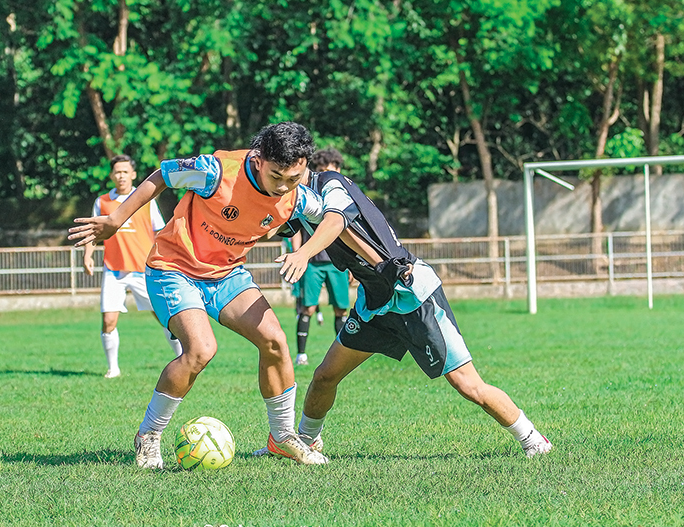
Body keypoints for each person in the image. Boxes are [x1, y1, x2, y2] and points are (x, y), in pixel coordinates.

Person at [69, 122, 329, 469]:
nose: (283, 187)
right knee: (201, 349)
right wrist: (114, 220)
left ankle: (281, 437)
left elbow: (335, 217)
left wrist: (315, 252)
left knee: (275, 340)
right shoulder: (214, 171)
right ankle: (148, 435)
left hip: (226, 275)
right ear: (258, 160)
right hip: (173, 268)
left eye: (293, 178)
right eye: (276, 176)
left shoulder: (299, 196)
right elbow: (161, 176)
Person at [266, 166, 553, 459]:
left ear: (301, 164)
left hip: (411, 294)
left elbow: (336, 221)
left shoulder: (331, 185)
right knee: (325, 375)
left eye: (285, 174)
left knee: (468, 385)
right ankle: (306, 441)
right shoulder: (295, 198)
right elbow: (273, 224)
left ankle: (533, 439)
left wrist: (303, 253)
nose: (279, 184)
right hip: (374, 304)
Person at [83, 155, 182, 378]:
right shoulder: (102, 202)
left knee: (165, 318)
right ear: (111, 175)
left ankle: (183, 360)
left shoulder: (145, 200)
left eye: (125, 172)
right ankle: (113, 368)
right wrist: (88, 256)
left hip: (143, 270)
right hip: (114, 269)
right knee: (108, 320)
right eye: (117, 172)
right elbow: (92, 232)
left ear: (133, 174)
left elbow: (159, 231)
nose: (121, 176)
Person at [290, 148, 350, 366]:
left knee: (341, 308)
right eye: (321, 170)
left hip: (338, 262)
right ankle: (301, 355)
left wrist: (354, 265)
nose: (325, 175)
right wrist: (298, 255)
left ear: (338, 170)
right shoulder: (307, 193)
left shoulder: (344, 195)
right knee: (308, 308)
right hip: (312, 262)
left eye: (329, 170)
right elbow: (296, 228)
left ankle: (342, 357)